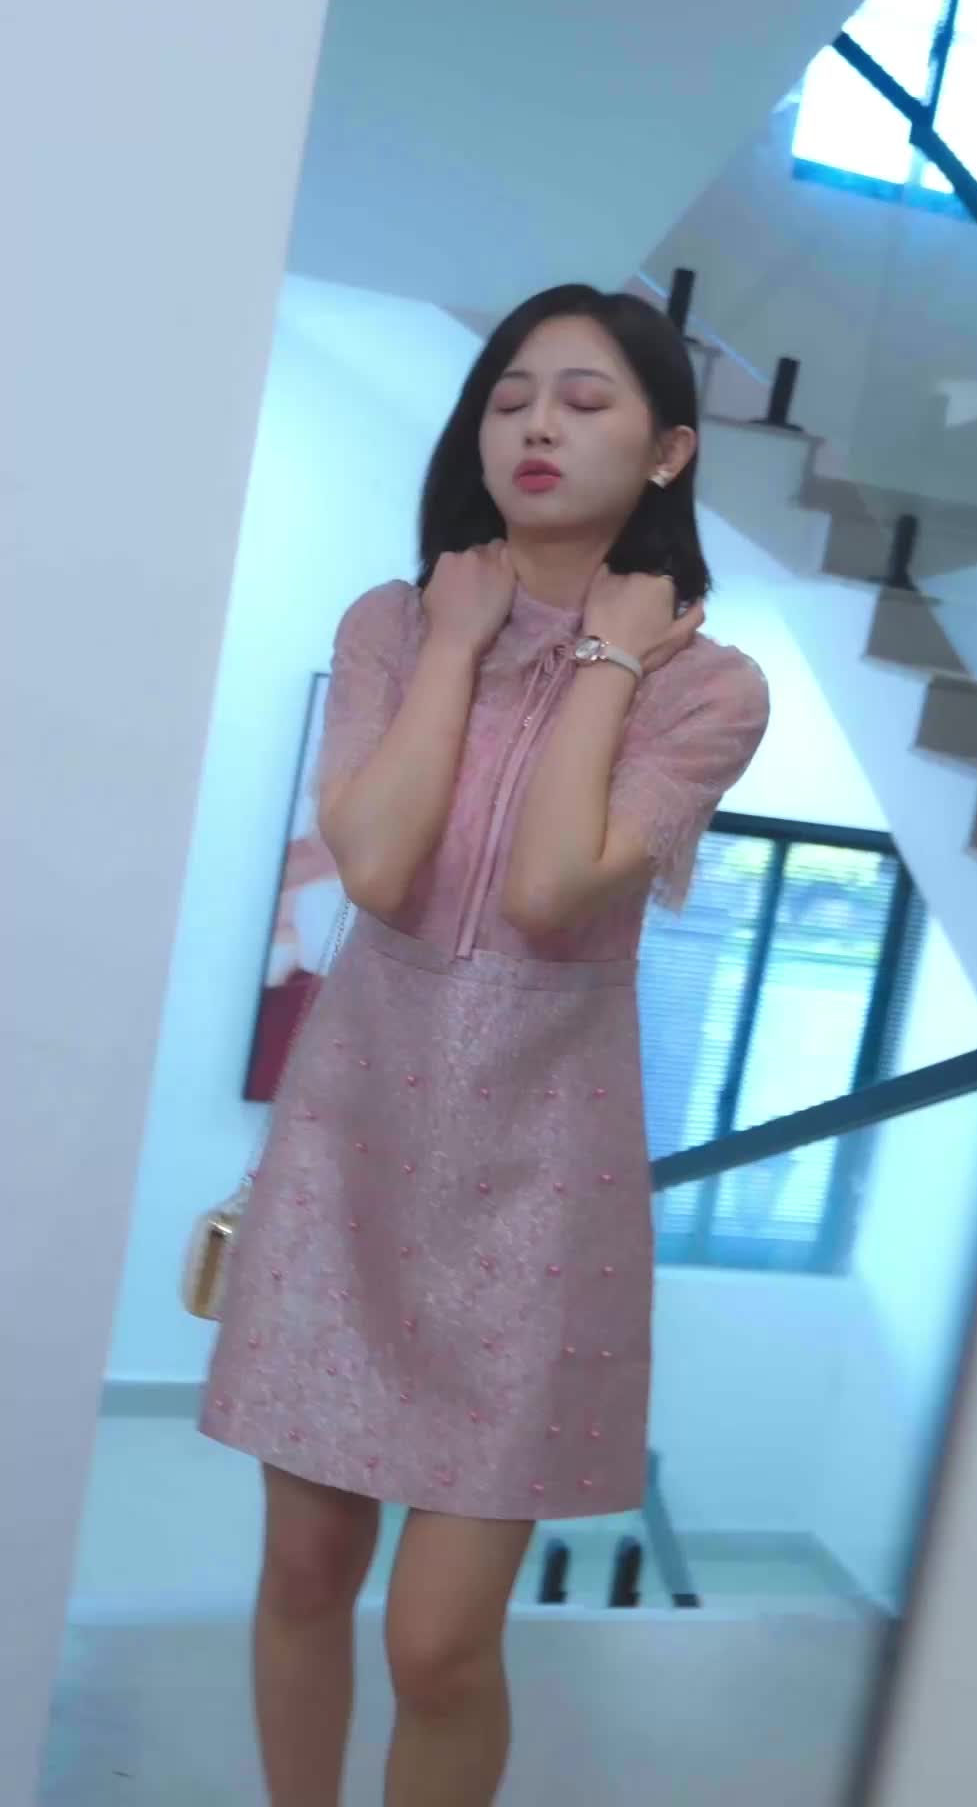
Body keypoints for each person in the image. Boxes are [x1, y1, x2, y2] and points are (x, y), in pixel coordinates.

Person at [201, 283, 770, 1806]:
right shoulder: (391, 627)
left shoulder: (713, 689)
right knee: (304, 1573)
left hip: (536, 1185)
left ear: (668, 451)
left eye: (586, 402)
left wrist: (609, 661)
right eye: (512, 396)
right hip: (351, 1153)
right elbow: (381, 868)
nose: (536, 426)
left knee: (441, 1649)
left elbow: (549, 889)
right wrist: (456, 644)